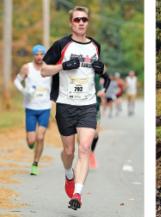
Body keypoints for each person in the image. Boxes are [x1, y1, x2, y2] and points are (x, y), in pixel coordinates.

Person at [41, 6, 110, 210]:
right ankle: (69, 174)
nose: (81, 22)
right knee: (69, 151)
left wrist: (102, 68)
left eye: (84, 19)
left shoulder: (95, 46)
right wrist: (63, 66)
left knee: (84, 148)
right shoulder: (61, 45)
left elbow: (100, 68)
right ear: (71, 23)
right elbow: (44, 70)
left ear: (88, 22)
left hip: (88, 105)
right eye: (77, 19)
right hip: (65, 104)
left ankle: (77, 194)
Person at [14, 45, 52, 176]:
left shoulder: (49, 67)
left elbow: (56, 83)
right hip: (30, 108)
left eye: (42, 54)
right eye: (37, 54)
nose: (39, 57)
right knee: (31, 141)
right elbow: (17, 81)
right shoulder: (26, 67)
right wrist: (24, 91)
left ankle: (35, 164)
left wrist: (53, 97)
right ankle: (32, 145)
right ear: (33, 56)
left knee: (40, 137)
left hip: (45, 108)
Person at [89, 70, 106, 169]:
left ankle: (91, 152)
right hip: (81, 104)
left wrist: (103, 90)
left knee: (95, 133)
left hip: (95, 104)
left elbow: (107, 79)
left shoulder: (97, 67)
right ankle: (84, 152)